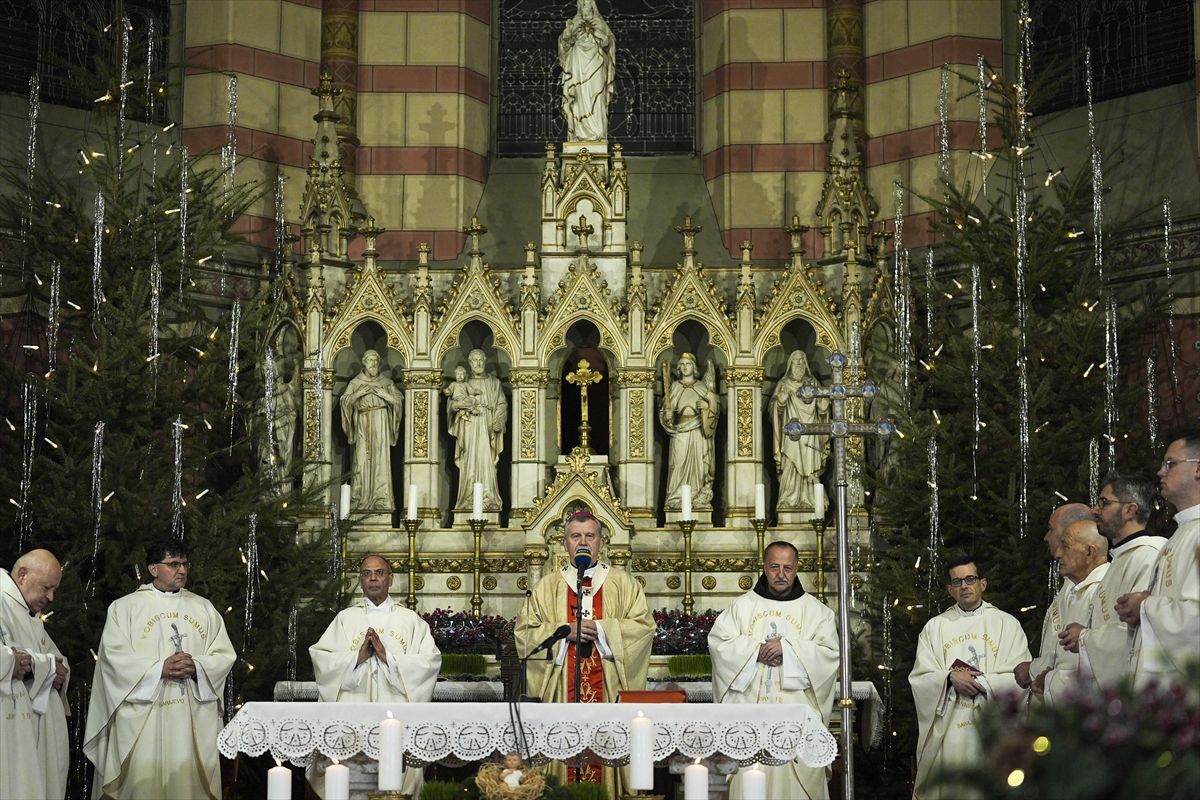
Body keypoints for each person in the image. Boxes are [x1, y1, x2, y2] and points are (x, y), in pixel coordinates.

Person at [514, 510, 654, 792]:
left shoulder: (623, 584)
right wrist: (564, 632)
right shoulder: (547, 586)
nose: (583, 542)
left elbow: (643, 627)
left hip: (608, 691)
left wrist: (602, 630)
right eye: (575, 536)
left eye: (590, 536)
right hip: (560, 693)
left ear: (602, 543)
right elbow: (525, 633)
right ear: (564, 543)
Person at [84, 541, 236, 800]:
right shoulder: (125, 608)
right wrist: (159, 669)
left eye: (185, 564)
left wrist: (197, 666)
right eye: (173, 564)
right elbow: (113, 660)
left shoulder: (204, 608)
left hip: (191, 717)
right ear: (153, 568)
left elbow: (224, 656)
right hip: (144, 719)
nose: (182, 570)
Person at [708, 541, 839, 800]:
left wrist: (788, 649)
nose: (781, 574)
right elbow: (719, 644)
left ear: (797, 568)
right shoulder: (741, 607)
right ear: (764, 567)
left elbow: (829, 654)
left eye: (787, 568)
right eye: (774, 567)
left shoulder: (817, 612)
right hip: (749, 720)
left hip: (797, 723)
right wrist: (755, 651)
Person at [309, 554, 441, 797]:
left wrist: (387, 657)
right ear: (360, 580)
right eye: (366, 573)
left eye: (379, 573)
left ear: (390, 578)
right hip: (351, 720)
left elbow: (429, 663)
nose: (373, 578)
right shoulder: (345, 619)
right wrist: (356, 658)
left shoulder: (410, 621)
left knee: (396, 788)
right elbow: (322, 659)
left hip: (397, 719)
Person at [909, 557, 1029, 800]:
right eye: (957, 582)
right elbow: (921, 677)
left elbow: (1022, 677)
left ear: (982, 583)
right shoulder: (935, 628)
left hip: (994, 727)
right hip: (950, 728)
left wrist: (982, 683)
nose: (964, 586)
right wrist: (949, 678)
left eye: (970, 579)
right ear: (949, 589)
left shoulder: (1007, 624)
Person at [1058, 473, 1165, 688]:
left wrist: (1084, 638)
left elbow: (1138, 633)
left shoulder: (1147, 556)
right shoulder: (1121, 559)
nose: (1095, 510)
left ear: (1130, 510)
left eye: (1104, 503)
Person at [1121, 429, 1200, 688]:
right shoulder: (1181, 534)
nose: (1160, 472)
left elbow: (1196, 620)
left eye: (1170, 464)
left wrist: (1145, 606)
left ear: (1198, 469)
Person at [0, 550, 69, 799]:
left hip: (32, 726)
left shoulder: (28, 615)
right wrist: (20, 663)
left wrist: (52, 669)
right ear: (22, 575)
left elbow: (59, 662)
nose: (51, 597)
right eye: (47, 588)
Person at [1014, 503, 1092, 690]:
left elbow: (1083, 658)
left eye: (1051, 529)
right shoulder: (1071, 583)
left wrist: (1045, 678)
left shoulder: (1098, 588)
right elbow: (1056, 651)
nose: (1046, 537)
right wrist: (1034, 670)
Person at [1035, 520, 1109, 703]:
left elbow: (1106, 658)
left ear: (1089, 551)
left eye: (1066, 546)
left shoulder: (1106, 589)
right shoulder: (1074, 588)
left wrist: (1049, 681)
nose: (1058, 554)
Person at [339, 349, 404, 512]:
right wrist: (357, 394)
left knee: (381, 460)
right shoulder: (355, 383)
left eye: (376, 360)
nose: (373, 364)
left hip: (381, 422)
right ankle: (359, 499)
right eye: (370, 360)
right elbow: (344, 402)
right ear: (364, 363)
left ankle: (381, 499)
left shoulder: (387, 383)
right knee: (360, 460)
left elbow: (398, 402)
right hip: (362, 421)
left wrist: (384, 395)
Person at [448, 349, 508, 513]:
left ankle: (489, 498)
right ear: (470, 363)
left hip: (487, 425)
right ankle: (468, 498)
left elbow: (502, 404)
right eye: (475, 360)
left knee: (486, 459)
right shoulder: (462, 382)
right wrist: (460, 405)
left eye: (481, 359)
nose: (478, 363)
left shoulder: (494, 382)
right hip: (468, 425)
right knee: (469, 460)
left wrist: (498, 420)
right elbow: (451, 404)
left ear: (485, 360)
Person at [769, 351, 830, 510]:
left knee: (811, 462)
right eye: (796, 361)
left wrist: (823, 411)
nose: (800, 364)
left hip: (811, 432)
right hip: (792, 434)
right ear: (790, 364)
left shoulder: (813, 383)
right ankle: (790, 497)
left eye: (802, 361)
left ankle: (812, 499)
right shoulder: (784, 384)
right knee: (791, 463)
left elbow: (823, 406)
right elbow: (773, 412)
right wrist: (780, 403)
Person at [660, 353, 720, 512]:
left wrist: (706, 407)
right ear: (679, 368)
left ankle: (697, 496)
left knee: (699, 465)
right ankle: (675, 497)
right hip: (680, 431)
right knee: (677, 464)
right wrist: (667, 416)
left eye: (688, 364)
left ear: (694, 367)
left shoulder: (702, 386)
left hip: (698, 430)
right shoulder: (675, 386)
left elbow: (714, 409)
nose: (685, 367)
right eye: (682, 364)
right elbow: (665, 409)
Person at [558, 0, 616, 141]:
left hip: (596, 63)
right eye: (582, 5)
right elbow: (564, 45)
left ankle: (597, 133)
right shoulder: (574, 23)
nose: (585, 8)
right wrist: (567, 33)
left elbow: (608, 43)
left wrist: (597, 33)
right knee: (578, 97)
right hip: (578, 64)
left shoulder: (600, 24)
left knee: (597, 93)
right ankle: (578, 133)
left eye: (588, 5)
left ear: (592, 7)